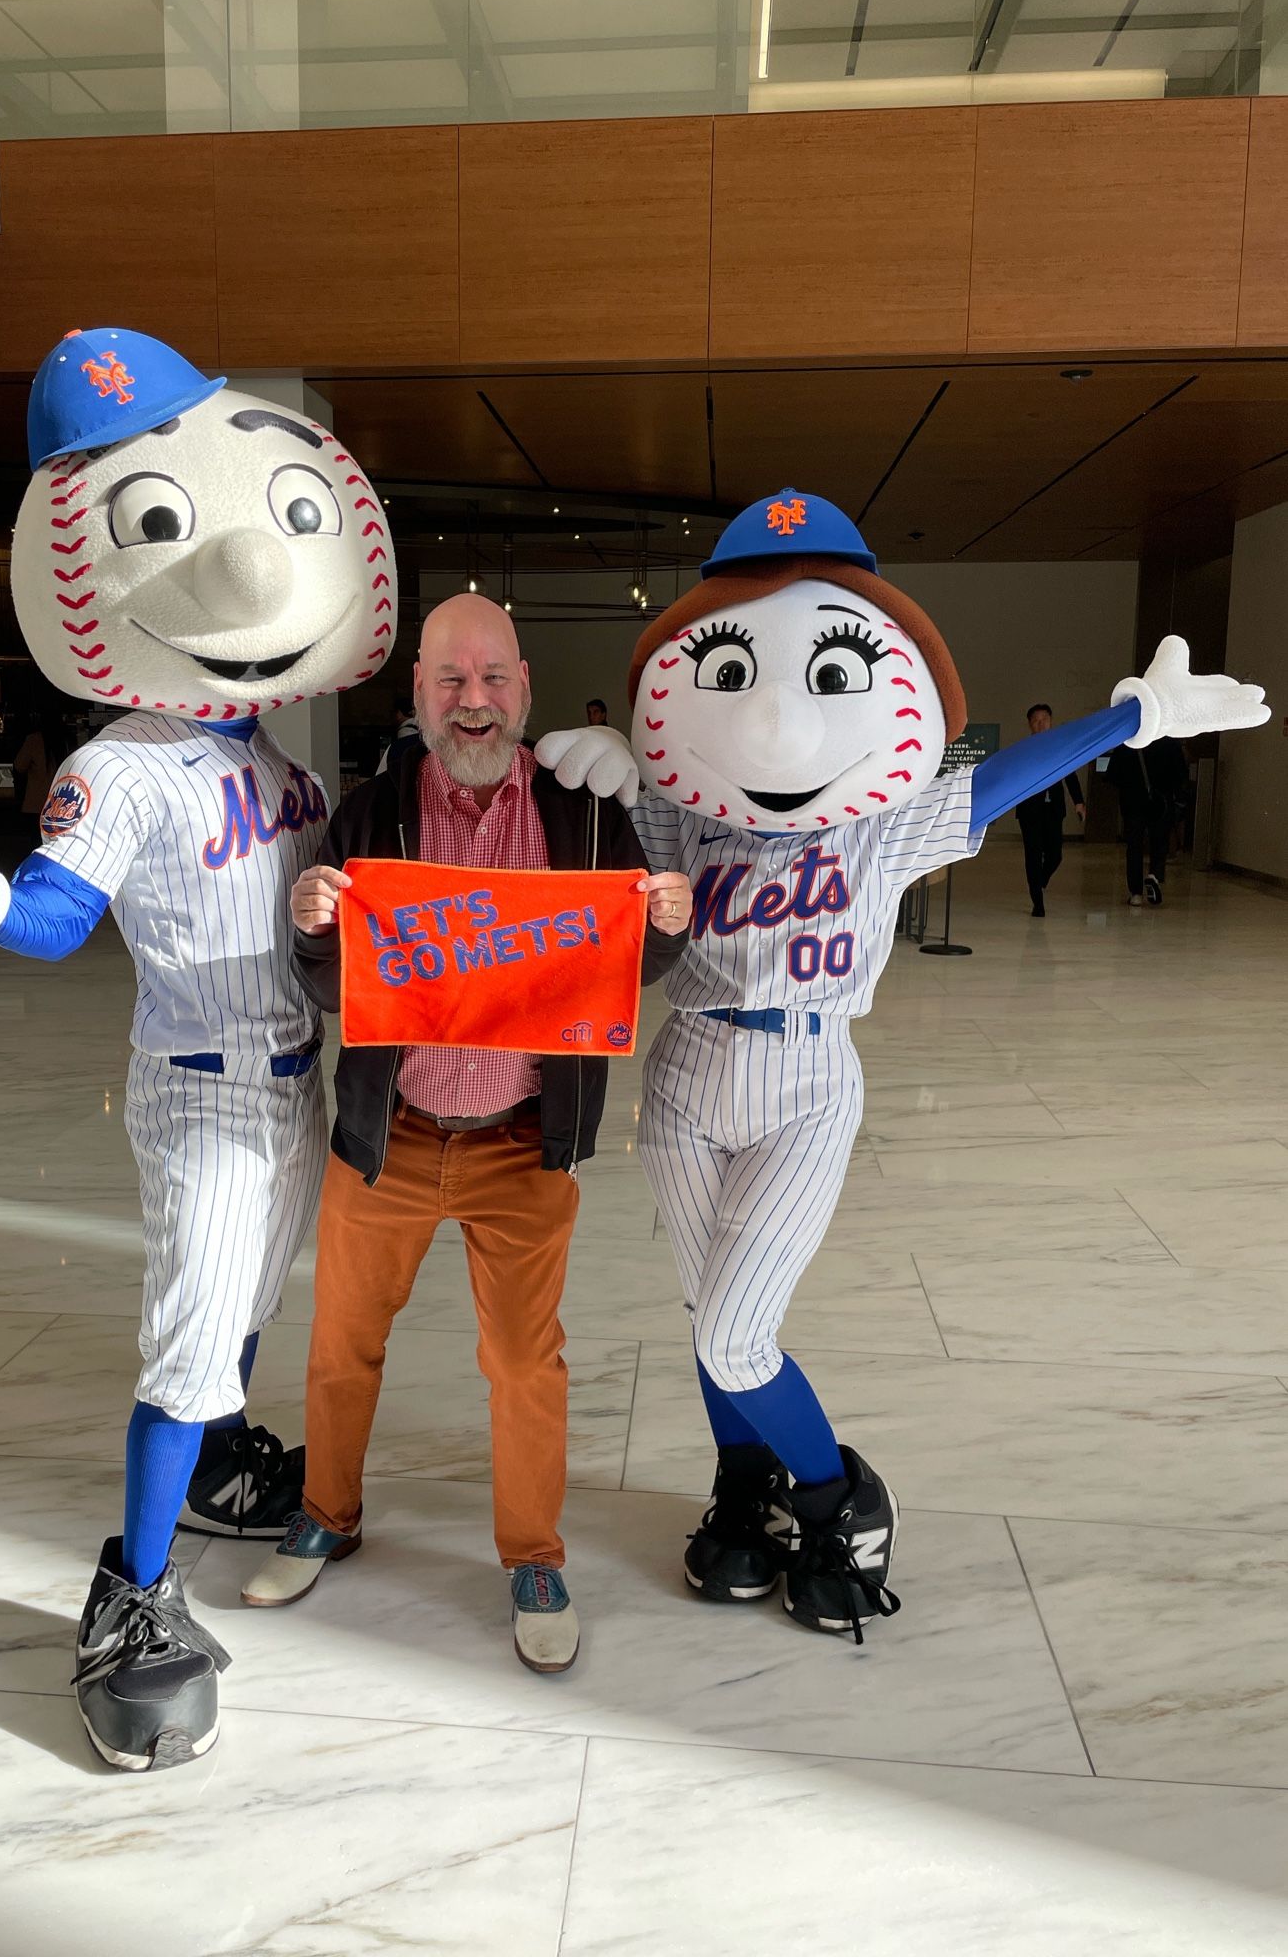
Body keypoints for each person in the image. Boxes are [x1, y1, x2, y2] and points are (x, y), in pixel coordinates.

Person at [537, 490, 1268, 1642]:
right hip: (684, 1072)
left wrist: (1132, 718)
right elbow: (593, 866)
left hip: (808, 1076)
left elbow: (1000, 782)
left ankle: (839, 1499)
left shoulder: (877, 826)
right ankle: (747, 1486)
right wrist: (589, 772)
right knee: (708, 1313)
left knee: (738, 1328)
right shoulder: (685, 815)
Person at [0, 328, 399, 1773]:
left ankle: (213, 1458)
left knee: (253, 1299)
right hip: (203, 1085)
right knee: (190, 1331)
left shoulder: (282, 769)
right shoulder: (120, 764)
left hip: (294, 1081)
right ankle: (130, 1596)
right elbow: (51, 915)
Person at [239, 594, 691, 1673]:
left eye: (492, 679)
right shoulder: (370, 813)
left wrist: (667, 923)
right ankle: (327, 1512)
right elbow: (333, 982)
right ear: (419, 692)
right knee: (343, 1341)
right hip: (387, 1135)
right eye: (451, 679)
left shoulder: (583, 816)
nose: (473, 700)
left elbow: (626, 969)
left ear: (524, 687)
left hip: (521, 1139)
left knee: (526, 1360)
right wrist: (309, 927)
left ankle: (533, 1552)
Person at [1015, 702, 1085, 917]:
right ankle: (1037, 901)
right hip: (1029, 811)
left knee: (1055, 855)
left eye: (1044, 719)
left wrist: (1079, 802)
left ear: (1050, 721)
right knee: (1033, 855)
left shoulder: (1059, 747)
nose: (1040, 723)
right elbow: (1013, 779)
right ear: (1030, 725)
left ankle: (1041, 881)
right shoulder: (1023, 750)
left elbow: (1070, 776)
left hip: (1053, 809)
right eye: (1036, 721)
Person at [1107, 732, 1188, 905]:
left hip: (1132, 802)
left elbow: (1113, 775)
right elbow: (1181, 774)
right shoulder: (1169, 741)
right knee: (1159, 842)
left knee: (1134, 846)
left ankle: (1135, 893)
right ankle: (1154, 875)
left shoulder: (1128, 741)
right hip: (1161, 802)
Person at [11, 711, 65, 822]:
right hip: (61, 802)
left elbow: (19, 766)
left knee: (36, 837)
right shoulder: (65, 740)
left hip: (37, 802)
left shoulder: (34, 740)